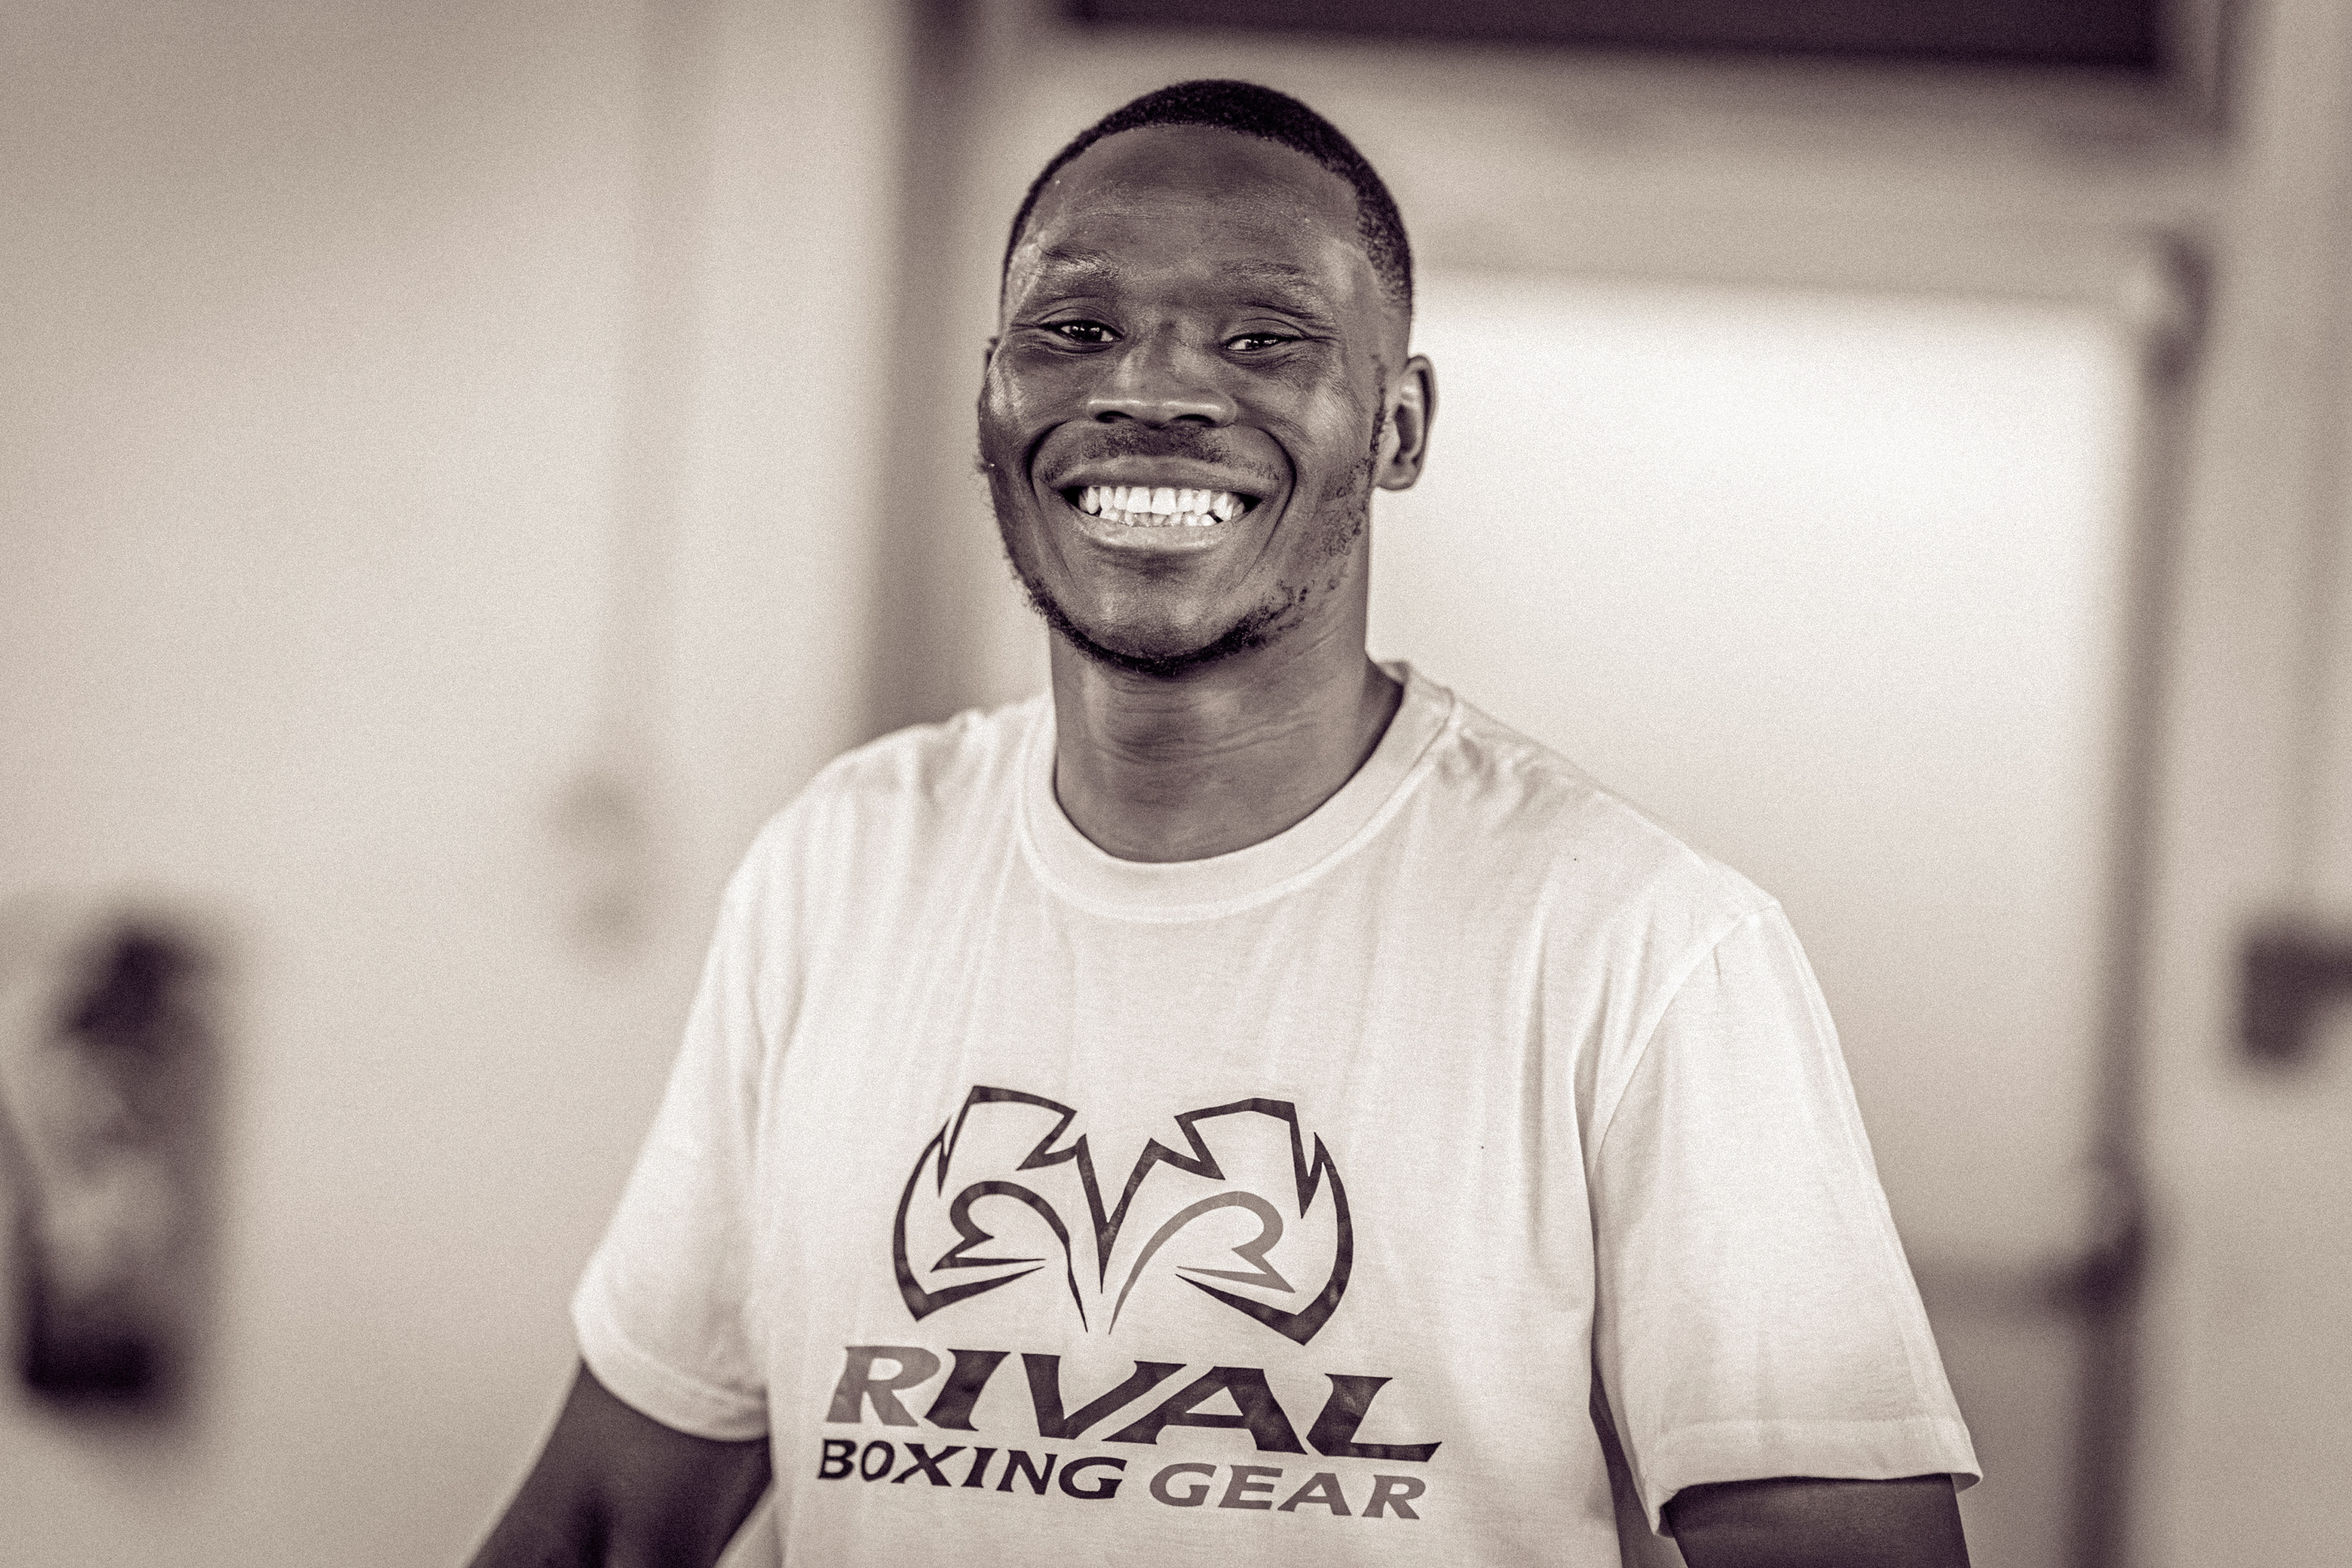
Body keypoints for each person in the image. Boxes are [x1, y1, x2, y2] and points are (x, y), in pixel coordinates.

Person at [469, 80, 1978, 1568]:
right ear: (989, 398)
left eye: (1264, 338)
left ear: (1399, 425)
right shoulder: (842, 865)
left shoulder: (1636, 940)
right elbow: (610, 1516)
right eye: (1076, 329)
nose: (1153, 391)